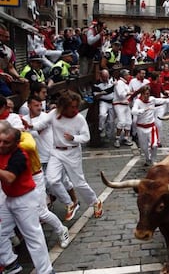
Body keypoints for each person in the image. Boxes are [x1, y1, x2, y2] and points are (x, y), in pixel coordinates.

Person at [28, 90, 103, 221]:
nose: (75, 109)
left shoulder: (79, 119)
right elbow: (42, 124)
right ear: (63, 106)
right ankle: (70, 203)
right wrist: (30, 126)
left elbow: (86, 137)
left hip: (72, 152)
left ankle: (95, 202)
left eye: (76, 106)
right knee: (52, 180)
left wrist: (73, 137)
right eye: (71, 107)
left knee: (79, 183)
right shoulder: (54, 113)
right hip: (56, 151)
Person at [0, 124, 56, 274]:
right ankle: (10, 262)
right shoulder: (2, 151)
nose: (1, 145)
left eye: (6, 143)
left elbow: (10, 177)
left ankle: (46, 271)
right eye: (0, 141)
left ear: (16, 144)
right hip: (9, 198)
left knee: (33, 235)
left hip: (24, 199)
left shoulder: (20, 155)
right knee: (1, 231)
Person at [131, 86, 169, 166]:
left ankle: (153, 159)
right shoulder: (137, 102)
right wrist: (142, 110)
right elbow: (133, 111)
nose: (147, 96)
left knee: (154, 145)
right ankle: (147, 158)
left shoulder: (152, 99)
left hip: (151, 127)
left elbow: (162, 100)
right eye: (145, 94)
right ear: (141, 94)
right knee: (144, 148)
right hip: (141, 128)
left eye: (148, 94)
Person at [0, 24, 29, 96]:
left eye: (8, 37)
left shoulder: (8, 51)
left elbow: (11, 67)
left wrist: (19, 77)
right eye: (5, 37)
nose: (7, 39)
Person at [113, 69, 134, 148]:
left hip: (126, 104)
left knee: (129, 122)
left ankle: (126, 138)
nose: (129, 76)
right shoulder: (119, 83)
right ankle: (117, 139)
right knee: (122, 122)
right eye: (128, 75)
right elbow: (121, 95)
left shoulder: (125, 84)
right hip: (119, 104)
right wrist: (130, 93)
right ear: (124, 76)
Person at [93, 69, 115, 139]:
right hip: (103, 102)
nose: (106, 78)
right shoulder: (96, 84)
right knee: (102, 115)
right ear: (101, 76)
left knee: (111, 120)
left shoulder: (112, 80)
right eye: (104, 77)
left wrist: (102, 92)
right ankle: (101, 128)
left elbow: (112, 89)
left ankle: (109, 134)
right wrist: (105, 92)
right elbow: (96, 96)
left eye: (107, 76)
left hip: (112, 102)